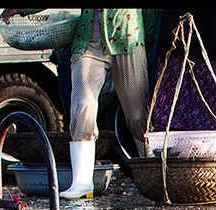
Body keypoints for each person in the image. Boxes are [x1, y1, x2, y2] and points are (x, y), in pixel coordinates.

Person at [55, 8, 152, 198]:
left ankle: (151, 175)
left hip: (127, 36)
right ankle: (82, 182)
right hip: (88, 42)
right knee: (83, 105)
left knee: (137, 114)